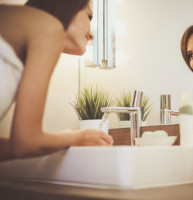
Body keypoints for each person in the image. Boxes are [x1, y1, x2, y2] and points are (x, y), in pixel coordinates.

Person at [0, 0, 113, 161]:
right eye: (89, 16)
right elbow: (25, 143)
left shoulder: (18, 52)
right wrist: (76, 137)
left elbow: (18, 146)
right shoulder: (48, 27)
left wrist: (57, 142)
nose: (91, 35)